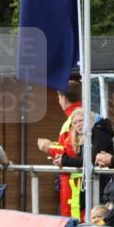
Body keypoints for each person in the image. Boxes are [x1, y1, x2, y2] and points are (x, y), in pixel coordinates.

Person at [37, 80, 83, 215]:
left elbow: (73, 150)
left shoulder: (74, 118)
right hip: (73, 179)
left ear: (62, 98)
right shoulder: (78, 115)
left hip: (74, 181)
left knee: (73, 223)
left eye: (58, 98)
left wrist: (48, 147)